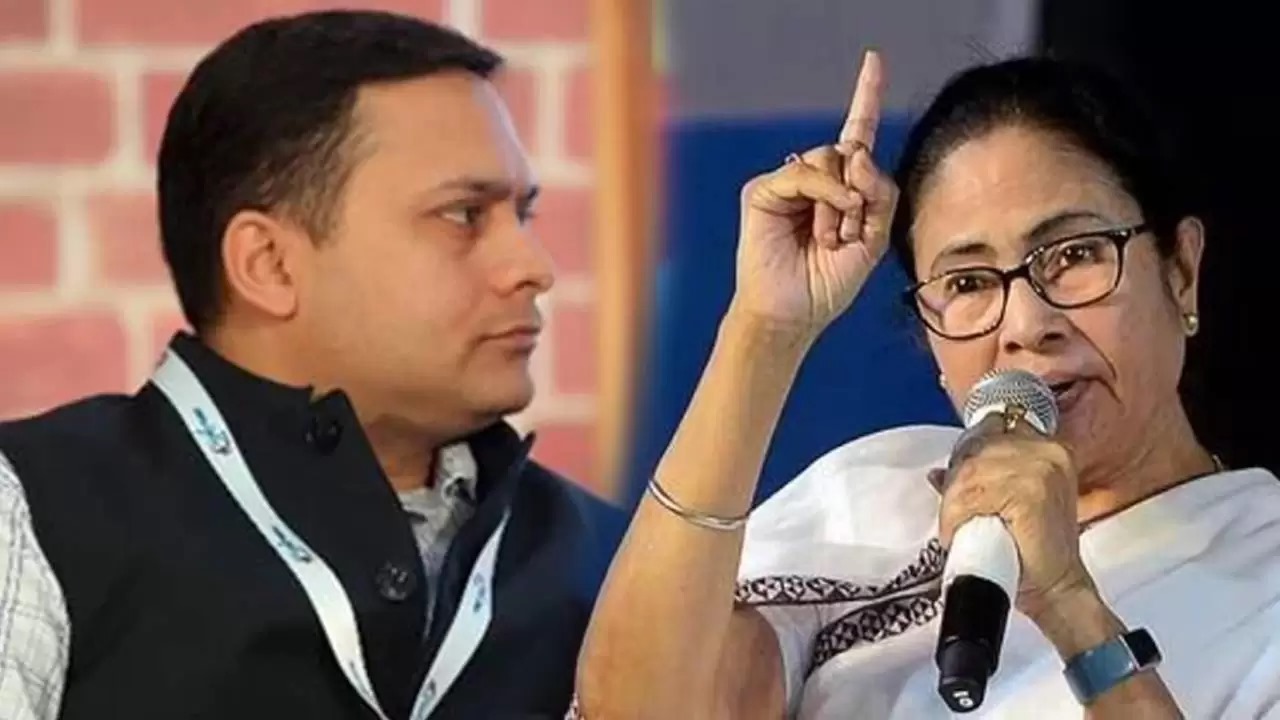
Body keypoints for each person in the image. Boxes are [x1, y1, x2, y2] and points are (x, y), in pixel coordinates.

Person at [572, 51, 1280, 719]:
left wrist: (1068, 603)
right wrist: (765, 329)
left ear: (1181, 271)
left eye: (1074, 255)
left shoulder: (1263, 578)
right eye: (968, 283)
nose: (1027, 325)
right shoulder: (874, 494)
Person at [0, 10, 619, 720]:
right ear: (269, 264)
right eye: (463, 215)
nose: (532, 267)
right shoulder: (31, 511)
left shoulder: (618, 562)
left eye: (524, 216)